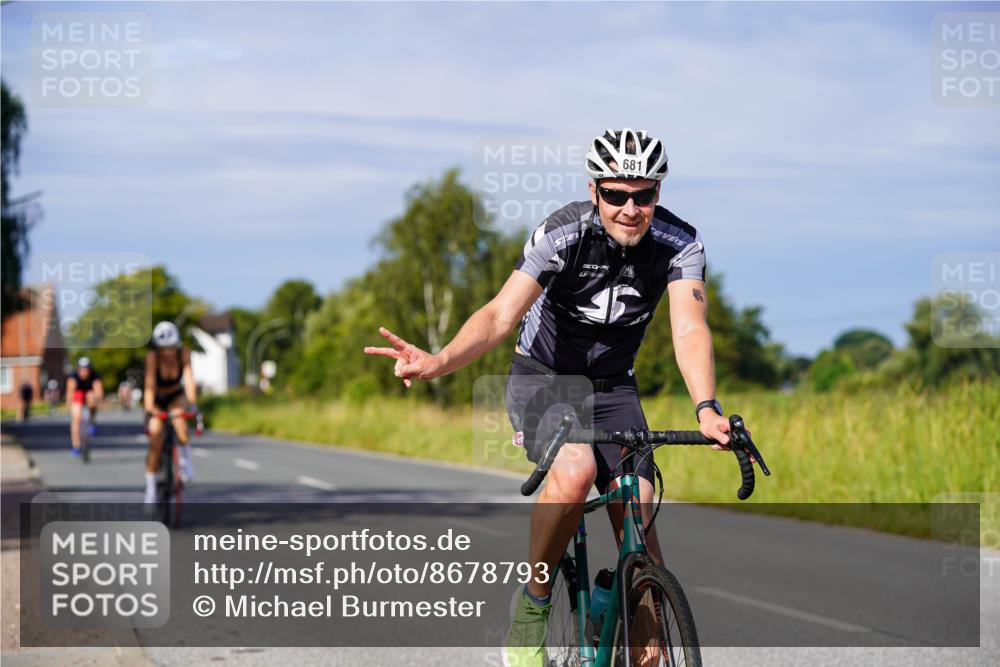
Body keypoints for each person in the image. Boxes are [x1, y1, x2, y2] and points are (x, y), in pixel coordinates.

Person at [365, 128, 737, 667]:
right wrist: (439, 360)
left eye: (644, 195)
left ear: (658, 192)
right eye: (616, 195)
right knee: (575, 469)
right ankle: (534, 607)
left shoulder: (681, 243)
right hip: (544, 379)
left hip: (614, 387)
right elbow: (499, 314)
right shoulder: (563, 234)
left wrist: (706, 407)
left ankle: (632, 618)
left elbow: (689, 329)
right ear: (594, 191)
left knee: (641, 509)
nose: (630, 208)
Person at [143, 321, 198, 503]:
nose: (168, 352)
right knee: (156, 436)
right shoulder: (152, 358)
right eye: (163, 349)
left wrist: (192, 404)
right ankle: (151, 488)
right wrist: (152, 409)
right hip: (156, 398)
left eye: (171, 347)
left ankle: (186, 463)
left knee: (180, 420)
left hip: (176, 395)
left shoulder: (184, 354)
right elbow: (150, 386)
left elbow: (189, 381)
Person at [66, 357, 104, 456]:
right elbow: (70, 392)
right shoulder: (73, 377)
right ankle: (76, 446)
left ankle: (91, 421)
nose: (84, 372)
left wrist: (97, 398)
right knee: (76, 418)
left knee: (91, 396)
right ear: (78, 369)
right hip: (78, 396)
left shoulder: (94, 376)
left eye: (86, 369)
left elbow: (99, 391)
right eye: (82, 369)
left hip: (89, 394)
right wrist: (70, 402)